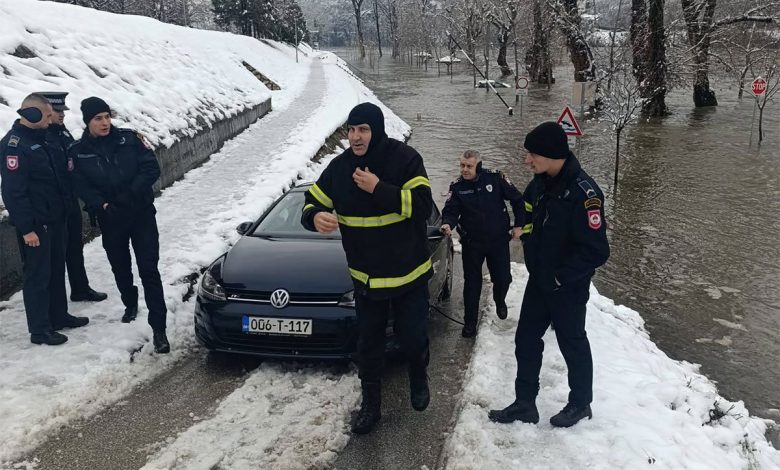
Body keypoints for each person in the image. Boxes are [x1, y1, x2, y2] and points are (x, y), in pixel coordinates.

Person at [301, 102, 433, 434]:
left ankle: (418, 377)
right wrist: (315, 216)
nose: (356, 137)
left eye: (364, 130)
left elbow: (422, 207)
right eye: (352, 130)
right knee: (369, 347)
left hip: (409, 277)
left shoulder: (405, 159)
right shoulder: (338, 168)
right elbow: (312, 201)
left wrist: (378, 188)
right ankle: (370, 407)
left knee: (413, 339)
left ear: (376, 131)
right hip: (367, 281)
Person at [488, 122, 610, 428]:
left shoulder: (585, 193)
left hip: (566, 287)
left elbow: (597, 251)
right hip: (540, 280)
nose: (527, 160)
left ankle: (581, 404)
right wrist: (527, 241)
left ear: (553, 154)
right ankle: (525, 403)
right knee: (526, 339)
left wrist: (560, 277)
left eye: (533, 154)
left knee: (572, 343)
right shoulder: (540, 183)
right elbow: (527, 213)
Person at [69, 97, 170, 354]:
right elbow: (80, 184)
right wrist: (101, 205)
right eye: (98, 119)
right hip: (111, 218)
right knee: (121, 267)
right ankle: (130, 302)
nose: (104, 123)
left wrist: (128, 195)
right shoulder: (78, 151)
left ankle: (159, 329)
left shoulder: (130, 139)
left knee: (149, 270)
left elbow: (150, 169)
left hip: (141, 214)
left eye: (106, 117)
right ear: (87, 122)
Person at [1, 93, 89, 345]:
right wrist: (27, 228)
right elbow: (13, 192)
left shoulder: (42, 139)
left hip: (55, 218)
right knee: (38, 275)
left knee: (55, 268)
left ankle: (58, 316)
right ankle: (40, 329)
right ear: (32, 114)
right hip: (36, 224)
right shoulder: (14, 146)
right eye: (48, 115)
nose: (53, 120)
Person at [440, 150, 525, 338]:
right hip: (472, 244)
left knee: (503, 278)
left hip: (498, 241)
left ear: (478, 166)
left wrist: (519, 225)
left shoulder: (495, 179)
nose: (464, 169)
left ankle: (499, 299)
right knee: (472, 285)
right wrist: (447, 224)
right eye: (462, 165)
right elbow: (451, 211)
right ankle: (470, 323)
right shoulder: (458, 187)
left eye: (469, 166)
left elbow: (518, 200)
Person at [40, 91, 108, 303]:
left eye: (63, 111)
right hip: (54, 204)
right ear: (46, 112)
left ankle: (80, 288)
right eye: (57, 111)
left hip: (70, 200)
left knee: (75, 247)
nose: (62, 115)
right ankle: (55, 305)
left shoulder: (61, 132)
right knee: (57, 255)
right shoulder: (43, 137)